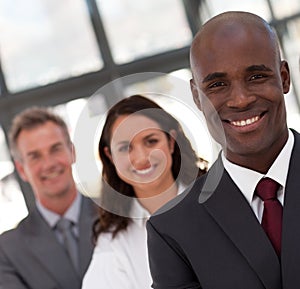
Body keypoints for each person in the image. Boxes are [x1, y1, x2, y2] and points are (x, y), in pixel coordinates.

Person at [147, 11, 300, 289]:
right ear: (196, 96)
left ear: (284, 77)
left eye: (256, 76)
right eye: (217, 85)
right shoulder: (172, 231)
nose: (240, 100)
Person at [81, 94, 207, 289]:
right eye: (124, 148)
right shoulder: (113, 242)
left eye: (151, 141)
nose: (140, 158)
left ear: (171, 142)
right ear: (110, 156)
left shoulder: (216, 199)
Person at [0, 107, 97, 289]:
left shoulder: (118, 219)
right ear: (21, 169)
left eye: (55, 149)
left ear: (72, 152)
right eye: (35, 156)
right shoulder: (7, 250)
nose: (49, 164)